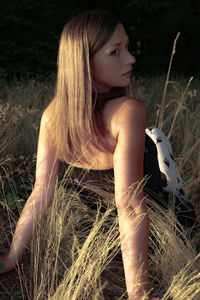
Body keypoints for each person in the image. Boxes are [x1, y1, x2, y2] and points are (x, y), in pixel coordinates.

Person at [0, 12, 197, 300]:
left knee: (153, 139)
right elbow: (129, 205)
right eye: (115, 52)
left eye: (127, 48)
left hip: (100, 236)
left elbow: (41, 191)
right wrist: (138, 293)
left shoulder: (52, 116)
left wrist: (13, 256)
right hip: (153, 230)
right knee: (156, 138)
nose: (130, 59)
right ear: (83, 62)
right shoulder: (127, 111)